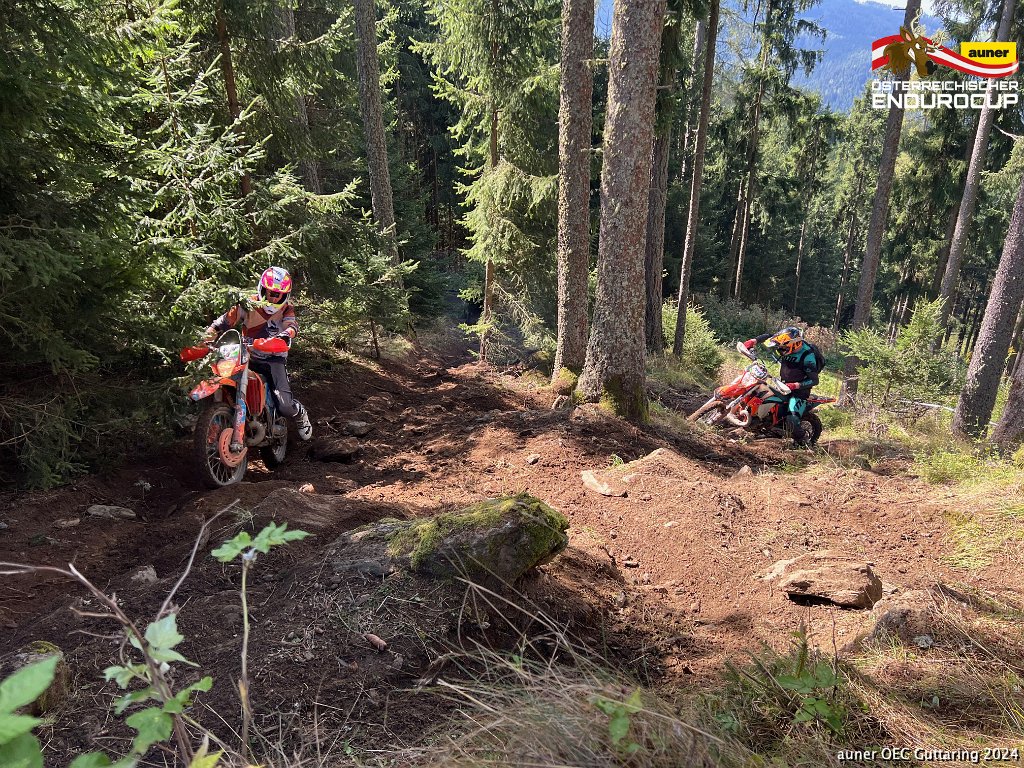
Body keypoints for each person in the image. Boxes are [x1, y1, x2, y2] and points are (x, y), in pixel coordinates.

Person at [204, 266, 313, 441]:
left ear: (285, 295)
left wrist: (287, 334)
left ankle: (299, 412)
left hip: (274, 358)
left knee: (285, 406)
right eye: (271, 292)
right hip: (246, 354)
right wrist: (206, 337)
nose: (274, 297)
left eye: (279, 294)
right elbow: (223, 322)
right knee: (221, 378)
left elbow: (291, 325)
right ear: (262, 289)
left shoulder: (286, 309)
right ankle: (215, 424)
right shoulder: (248, 304)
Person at [743, 326, 821, 446]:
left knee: (792, 419)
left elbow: (814, 380)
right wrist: (753, 341)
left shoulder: (808, 357)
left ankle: (804, 441)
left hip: (799, 391)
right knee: (758, 395)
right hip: (783, 384)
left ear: (794, 344)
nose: (780, 350)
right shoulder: (786, 341)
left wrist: (795, 385)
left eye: (783, 348)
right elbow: (769, 336)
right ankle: (763, 424)